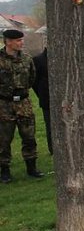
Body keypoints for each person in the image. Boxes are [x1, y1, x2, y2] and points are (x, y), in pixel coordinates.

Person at [0, 29, 43, 182]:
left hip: (23, 103)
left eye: (21, 40)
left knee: (29, 136)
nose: (21, 43)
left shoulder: (26, 59)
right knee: (4, 139)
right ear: (8, 41)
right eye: (18, 40)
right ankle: (4, 170)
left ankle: (32, 167)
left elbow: (32, 77)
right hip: (4, 104)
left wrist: (22, 92)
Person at [32, 45, 52, 153]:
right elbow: (34, 81)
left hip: (63, 99)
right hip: (46, 98)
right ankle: (53, 148)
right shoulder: (38, 60)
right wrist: (41, 93)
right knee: (50, 125)